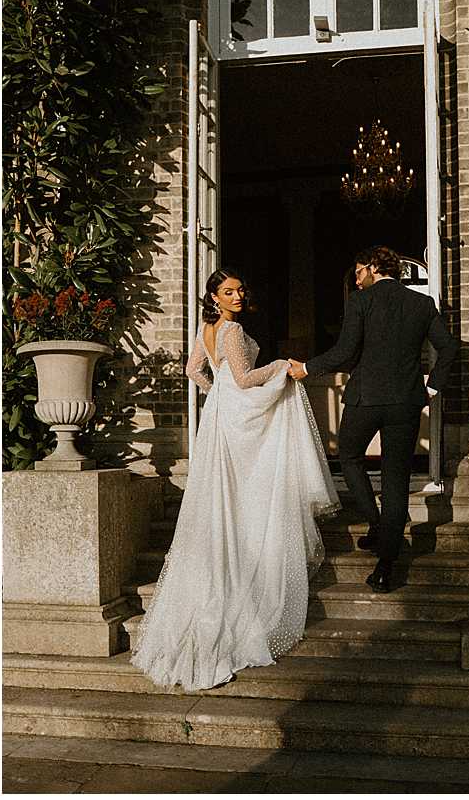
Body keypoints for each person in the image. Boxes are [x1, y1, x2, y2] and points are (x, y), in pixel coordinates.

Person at [131, 268, 339, 692]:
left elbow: (194, 370)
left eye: (241, 289)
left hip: (219, 418)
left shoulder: (206, 329)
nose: (238, 295)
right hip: (233, 416)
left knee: (222, 496)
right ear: (214, 296)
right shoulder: (230, 329)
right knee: (242, 491)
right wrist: (280, 365)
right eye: (229, 291)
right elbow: (245, 379)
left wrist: (216, 392)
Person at [289, 245, 459, 593]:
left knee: (348, 457)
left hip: (365, 399)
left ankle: (376, 523)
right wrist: (433, 387)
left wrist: (306, 367)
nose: (355, 277)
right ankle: (386, 564)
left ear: (372, 267)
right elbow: (449, 347)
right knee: (396, 480)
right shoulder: (421, 304)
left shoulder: (360, 302)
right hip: (406, 403)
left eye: (357, 270)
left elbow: (345, 352)